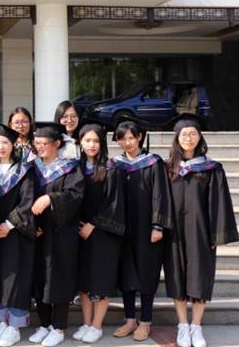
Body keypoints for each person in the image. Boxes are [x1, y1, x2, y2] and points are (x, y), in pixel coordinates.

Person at [162, 113, 239, 347]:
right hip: (174, 232)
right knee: (176, 276)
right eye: (184, 134)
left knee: (200, 277)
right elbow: (159, 200)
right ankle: (182, 325)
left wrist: (216, 233)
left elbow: (219, 202)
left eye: (193, 133)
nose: (188, 138)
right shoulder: (167, 168)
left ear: (200, 137)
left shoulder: (212, 168)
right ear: (177, 138)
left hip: (201, 231)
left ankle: (196, 326)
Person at [110, 120, 173, 342]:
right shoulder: (115, 164)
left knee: (147, 272)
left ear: (139, 137)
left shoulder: (153, 163)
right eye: (122, 138)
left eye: (131, 137)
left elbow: (160, 195)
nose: (127, 142)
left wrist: (158, 226)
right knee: (126, 273)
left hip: (147, 228)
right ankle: (130, 320)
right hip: (122, 228)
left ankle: (145, 321)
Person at [27, 122, 84, 347]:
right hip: (38, 233)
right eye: (37, 143)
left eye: (44, 143)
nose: (40, 147)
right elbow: (23, 199)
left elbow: (76, 196)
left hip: (62, 234)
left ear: (57, 144)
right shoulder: (32, 168)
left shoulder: (71, 169)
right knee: (39, 278)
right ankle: (45, 324)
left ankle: (59, 328)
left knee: (59, 279)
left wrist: (50, 198)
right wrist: (31, 224)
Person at [72, 121, 125, 344]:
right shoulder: (75, 168)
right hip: (80, 232)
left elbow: (114, 203)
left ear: (102, 144)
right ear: (80, 143)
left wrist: (93, 224)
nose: (92, 145)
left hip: (103, 233)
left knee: (101, 280)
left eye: (96, 141)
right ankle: (86, 323)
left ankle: (97, 325)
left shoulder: (111, 168)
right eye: (87, 140)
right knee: (84, 281)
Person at [0, 123, 37, 347]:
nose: (1, 146)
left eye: (5, 142)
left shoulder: (25, 171)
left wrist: (8, 225)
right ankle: (3, 321)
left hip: (17, 233)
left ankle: (15, 326)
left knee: (17, 276)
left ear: (13, 144)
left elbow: (28, 201)